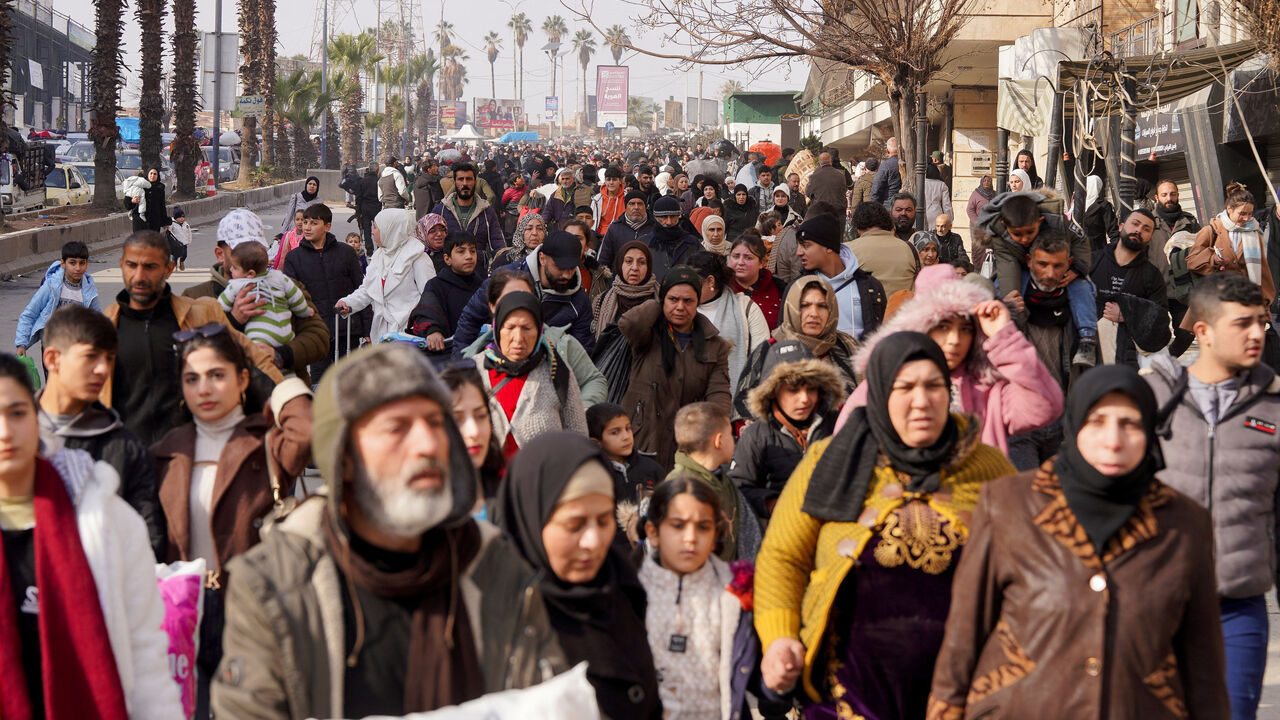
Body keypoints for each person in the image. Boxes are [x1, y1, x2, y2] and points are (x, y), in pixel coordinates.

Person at [212, 343, 567, 718]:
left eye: (434, 422)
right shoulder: (274, 584)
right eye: (397, 428)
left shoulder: (493, 563)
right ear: (344, 458)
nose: (428, 444)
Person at [929, 365, 1228, 719]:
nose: (1113, 440)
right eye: (1097, 421)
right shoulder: (1007, 505)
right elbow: (965, 634)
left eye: (1130, 424)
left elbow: (1202, 661)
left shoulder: (1184, 523)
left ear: (1150, 430)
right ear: (1074, 425)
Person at [754, 332, 1015, 716]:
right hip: (848, 692)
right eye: (904, 387)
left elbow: (1030, 563)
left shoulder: (987, 465)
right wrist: (779, 639)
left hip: (964, 693)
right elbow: (782, 557)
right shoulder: (830, 459)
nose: (921, 401)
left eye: (933, 386)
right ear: (878, 393)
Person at [0, 354, 183, 720]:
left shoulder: (106, 518)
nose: (5, 431)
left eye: (17, 413)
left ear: (38, 418)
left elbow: (146, 650)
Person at [153, 325, 312, 716]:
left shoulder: (267, 444)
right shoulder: (166, 452)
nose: (204, 389)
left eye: (217, 375)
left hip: (249, 612)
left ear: (243, 379)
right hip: (182, 614)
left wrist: (272, 376)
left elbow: (307, 431)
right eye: (192, 379)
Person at [1145, 273, 1280, 720]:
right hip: (1156, 601)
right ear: (1201, 331)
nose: (1258, 333)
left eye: (1261, 321)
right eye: (1243, 323)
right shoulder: (1153, 398)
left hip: (1238, 607)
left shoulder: (1274, 406)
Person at [493, 432, 661, 720]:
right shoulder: (498, 620)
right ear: (532, 519)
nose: (594, 541)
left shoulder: (622, 585)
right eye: (574, 525)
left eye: (604, 519)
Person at [840, 263, 1064, 455]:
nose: (955, 339)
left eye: (965, 328)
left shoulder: (987, 388)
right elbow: (846, 450)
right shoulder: (885, 384)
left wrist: (1005, 337)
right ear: (921, 327)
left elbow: (1046, 405)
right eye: (943, 326)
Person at [105, 231, 282, 446]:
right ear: (121, 265)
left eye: (150, 267)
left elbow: (258, 363)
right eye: (132, 265)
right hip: (126, 462)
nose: (139, 276)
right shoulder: (102, 328)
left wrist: (290, 405)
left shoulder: (201, 315)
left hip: (190, 458)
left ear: (169, 269)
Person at [637, 476, 772, 720]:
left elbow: (756, 677)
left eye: (703, 527)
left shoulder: (734, 592)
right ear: (653, 532)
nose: (691, 538)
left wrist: (777, 679)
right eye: (678, 525)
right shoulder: (631, 595)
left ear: (715, 534)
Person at [35, 305, 165, 554]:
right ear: (52, 359)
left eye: (109, 358)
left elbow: (148, 542)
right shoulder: (11, 432)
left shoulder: (126, 448)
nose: (103, 369)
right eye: (91, 356)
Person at [619, 266, 732, 470]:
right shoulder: (648, 335)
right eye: (673, 299)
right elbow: (629, 323)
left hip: (685, 446)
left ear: (698, 302)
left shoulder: (715, 345)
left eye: (688, 301)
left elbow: (719, 393)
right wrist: (657, 304)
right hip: (642, 440)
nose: (680, 307)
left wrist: (715, 430)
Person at [458, 267, 606, 407]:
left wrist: (584, 408)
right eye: (509, 298)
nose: (518, 304)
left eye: (525, 297)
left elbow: (593, 380)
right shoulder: (475, 359)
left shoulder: (561, 344)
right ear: (493, 306)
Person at [979, 192, 1098, 367]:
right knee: (1001, 292)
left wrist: (1077, 269)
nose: (1025, 239)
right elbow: (1007, 267)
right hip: (1022, 266)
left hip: (1063, 266)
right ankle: (1007, 335)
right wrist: (1010, 299)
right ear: (1005, 226)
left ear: (1040, 221)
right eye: (1017, 235)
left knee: (1082, 287)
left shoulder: (1059, 221)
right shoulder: (1000, 237)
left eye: (1030, 232)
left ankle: (1087, 339)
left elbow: (1080, 241)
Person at [731, 340, 844, 521]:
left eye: (811, 389)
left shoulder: (837, 426)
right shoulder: (756, 435)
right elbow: (738, 487)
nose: (804, 399)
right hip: (778, 531)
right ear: (772, 392)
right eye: (793, 391)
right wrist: (771, 504)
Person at [470, 291, 587, 459]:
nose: (518, 338)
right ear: (497, 329)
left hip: (544, 482)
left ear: (539, 330)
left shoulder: (557, 371)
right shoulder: (474, 371)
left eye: (527, 328)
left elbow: (578, 438)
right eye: (510, 328)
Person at [281, 202, 368, 381]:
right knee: (320, 381)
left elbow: (362, 290)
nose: (307, 227)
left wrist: (367, 329)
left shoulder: (346, 253)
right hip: (315, 332)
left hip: (347, 329)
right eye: (305, 222)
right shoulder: (294, 258)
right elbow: (291, 298)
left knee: (349, 380)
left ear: (327, 226)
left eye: (314, 223)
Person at [336, 208, 435, 342]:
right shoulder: (379, 256)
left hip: (409, 332)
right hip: (381, 332)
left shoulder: (417, 257)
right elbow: (367, 289)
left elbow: (430, 296)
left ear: (390, 230)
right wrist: (348, 303)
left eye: (376, 228)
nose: (372, 232)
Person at [1089, 208, 1171, 367]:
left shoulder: (1151, 275)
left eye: (1146, 229)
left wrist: (1128, 313)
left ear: (1150, 238)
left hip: (1126, 360)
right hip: (1086, 352)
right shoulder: (1093, 261)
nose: (1139, 230)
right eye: (1135, 224)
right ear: (1121, 227)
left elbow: (1161, 320)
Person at [217, 236, 314, 363]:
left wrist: (229, 317)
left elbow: (219, 307)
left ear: (250, 274)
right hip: (287, 334)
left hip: (260, 336)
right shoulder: (279, 277)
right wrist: (305, 311)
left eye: (235, 268)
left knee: (260, 362)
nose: (231, 270)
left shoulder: (237, 284)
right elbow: (296, 297)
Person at [1185, 182, 1274, 317]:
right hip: (1217, 300)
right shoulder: (1211, 230)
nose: (1246, 218)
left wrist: (1265, 302)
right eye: (1242, 213)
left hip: (1245, 299)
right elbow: (1192, 261)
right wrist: (1212, 258)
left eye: (1250, 214)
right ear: (1229, 209)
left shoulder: (1255, 232)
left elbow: (1263, 271)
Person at [793, 211, 886, 341]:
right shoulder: (797, 287)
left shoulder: (870, 286)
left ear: (828, 247)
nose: (799, 252)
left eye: (806, 245)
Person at [689, 251, 769, 398]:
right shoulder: (683, 310)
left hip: (735, 403)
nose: (688, 286)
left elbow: (761, 359)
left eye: (693, 281)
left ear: (710, 281)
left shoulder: (745, 308)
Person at [15, 240, 101, 358]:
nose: (78, 268)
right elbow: (29, 314)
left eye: (82, 263)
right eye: (72, 263)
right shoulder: (51, 287)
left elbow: (99, 322)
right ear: (63, 264)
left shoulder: (89, 291)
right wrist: (21, 344)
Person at [439, 363, 505, 510]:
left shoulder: (508, 496)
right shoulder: (422, 509)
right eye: (457, 420)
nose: (473, 432)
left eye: (481, 416)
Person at [408, 230, 483, 351]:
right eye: (461, 251)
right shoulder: (436, 286)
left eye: (472, 251)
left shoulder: (483, 286)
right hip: (448, 352)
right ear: (447, 258)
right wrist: (433, 331)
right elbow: (426, 313)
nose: (469, 256)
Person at [586, 402, 665, 509]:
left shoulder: (652, 469)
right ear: (596, 442)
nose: (626, 437)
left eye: (628, 428)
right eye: (615, 432)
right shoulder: (592, 475)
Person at [431, 162, 505, 272]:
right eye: (461, 179)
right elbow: (430, 245)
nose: (465, 183)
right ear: (455, 182)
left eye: (469, 179)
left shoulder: (487, 212)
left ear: (475, 181)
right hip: (447, 275)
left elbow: (498, 244)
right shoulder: (440, 211)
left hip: (478, 275)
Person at [849, 200, 921, 297]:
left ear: (857, 227)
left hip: (866, 311)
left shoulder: (848, 251)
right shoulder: (910, 249)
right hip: (903, 310)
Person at [591, 239, 659, 339]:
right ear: (620, 264)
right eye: (628, 261)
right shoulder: (601, 301)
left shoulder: (661, 298)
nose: (635, 268)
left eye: (641, 262)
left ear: (649, 266)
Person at [729, 233, 786, 331]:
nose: (740, 262)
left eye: (748, 257)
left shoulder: (780, 289)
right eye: (736, 256)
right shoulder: (721, 288)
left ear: (762, 263)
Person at [598, 189, 657, 269]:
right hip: (619, 278)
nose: (636, 207)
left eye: (640, 204)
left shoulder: (655, 228)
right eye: (632, 204)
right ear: (626, 207)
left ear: (645, 206)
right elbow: (604, 259)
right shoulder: (614, 228)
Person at [1079, 175, 1121, 254]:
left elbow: (1113, 231)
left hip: (1097, 250)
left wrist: (1115, 253)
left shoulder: (1103, 206)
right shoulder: (1079, 204)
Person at [966, 175, 996, 270]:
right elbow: (970, 210)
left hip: (990, 227)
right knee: (978, 248)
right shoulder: (975, 194)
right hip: (977, 227)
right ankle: (977, 269)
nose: (986, 182)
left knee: (988, 248)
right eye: (985, 181)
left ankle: (988, 270)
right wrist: (978, 222)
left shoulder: (995, 194)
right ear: (981, 182)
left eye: (988, 181)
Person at [807, 151, 849, 219]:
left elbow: (808, 192)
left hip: (821, 212)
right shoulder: (841, 175)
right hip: (839, 212)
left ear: (819, 163)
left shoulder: (814, 176)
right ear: (830, 161)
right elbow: (844, 190)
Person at [591, 166, 628, 237]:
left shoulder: (627, 197)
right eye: (608, 179)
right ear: (605, 181)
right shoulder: (597, 199)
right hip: (601, 237)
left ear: (620, 181)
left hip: (622, 235)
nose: (611, 182)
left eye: (614, 180)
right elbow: (593, 221)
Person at [870, 137, 902, 208]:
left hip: (889, 205)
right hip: (907, 205)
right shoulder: (909, 164)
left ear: (887, 151)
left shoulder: (886, 165)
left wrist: (873, 208)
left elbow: (876, 189)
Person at [924, 163, 951, 229]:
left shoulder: (921, 183)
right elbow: (946, 204)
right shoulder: (942, 184)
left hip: (923, 213)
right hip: (937, 214)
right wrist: (949, 219)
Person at [168, 206, 192, 271]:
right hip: (176, 244)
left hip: (184, 243)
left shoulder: (186, 224)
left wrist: (189, 241)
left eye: (183, 217)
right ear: (175, 218)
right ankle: (174, 266)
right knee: (175, 256)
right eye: (180, 217)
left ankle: (181, 261)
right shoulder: (172, 224)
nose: (182, 219)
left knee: (184, 255)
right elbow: (169, 232)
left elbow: (189, 232)